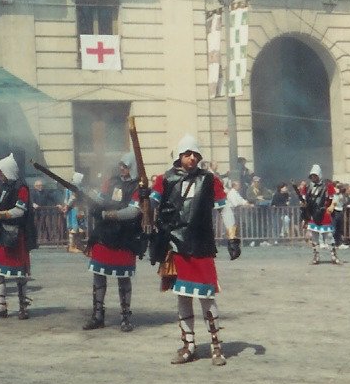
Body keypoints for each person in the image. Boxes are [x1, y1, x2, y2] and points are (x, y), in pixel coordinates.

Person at [151, 133, 241, 365]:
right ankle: (188, 345)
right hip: (175, 245)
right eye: (187, 154)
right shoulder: (164, 179)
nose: (192, 158)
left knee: (206, 296)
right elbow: (150, 205)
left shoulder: (210, 180)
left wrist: (233, 236)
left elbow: (224, 208)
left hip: (201, 245)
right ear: (180, 155)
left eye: (195, 154)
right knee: (183, 295)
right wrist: (144, 199)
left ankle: (216, 346)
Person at [82, 155, 145, 332]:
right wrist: (86, 195)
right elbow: (101, 199)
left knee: (123, 278)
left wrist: (108, 215)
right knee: (98, 275)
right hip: (104, 234)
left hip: (126, 237)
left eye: (125, 166)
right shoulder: (111, 182)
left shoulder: (139, 186)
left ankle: (125, 317)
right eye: (121, 165)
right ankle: (97, 315)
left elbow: (133, 211)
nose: (122, 168)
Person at [0, 153, 38, 319]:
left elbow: (19, 210)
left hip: (16, 234)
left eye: (0, 171)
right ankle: (1, 306)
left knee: (20, 274)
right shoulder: (3, 187)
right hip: (2, 233)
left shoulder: (21, 188)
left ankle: (23, 307)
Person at [303, 164, 338, 265]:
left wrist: (332, 206)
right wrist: (303, 204)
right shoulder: (307, 187)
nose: (313, 177)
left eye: (315, 175)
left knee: (329, 235)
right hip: (313, 213)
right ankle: (316, 256)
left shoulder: (327, 186)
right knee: (314, 236)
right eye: (312, 176)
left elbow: (334, 197)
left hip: (324, 213)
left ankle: (334, 256)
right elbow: (304, 199)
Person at [63, 172, 86, 253]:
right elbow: (72, 198)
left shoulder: (71, 187)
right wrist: (67, 206)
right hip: (74, 209)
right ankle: (72, 246)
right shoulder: (74, 187)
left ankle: (77, 245)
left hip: (77, 209)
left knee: (79, 228)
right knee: (74, 227)